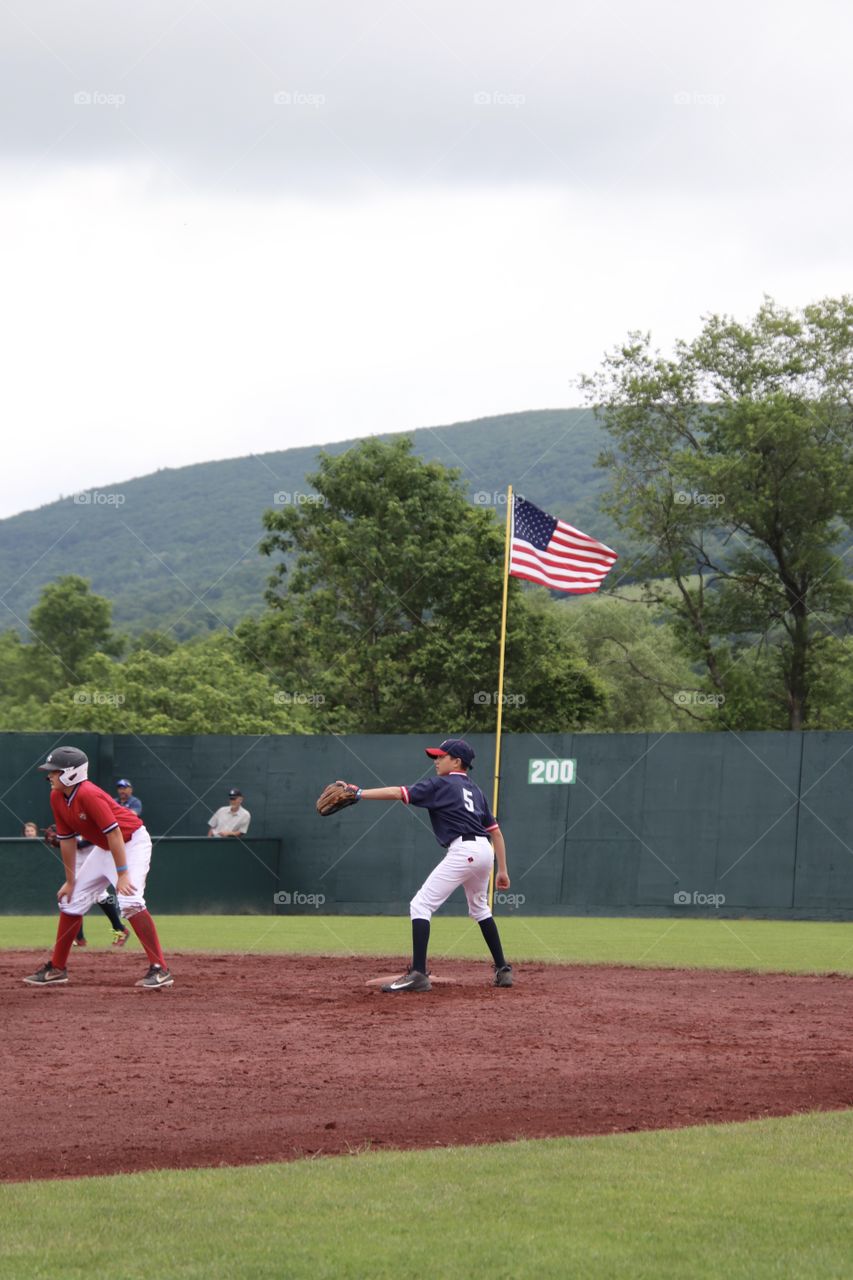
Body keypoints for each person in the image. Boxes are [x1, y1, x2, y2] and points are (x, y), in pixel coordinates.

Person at [344, 737, 513, 992]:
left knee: (421, 904)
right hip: (484, 850)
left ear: (457, 761)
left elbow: (397, 793)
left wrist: (359, 793)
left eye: (441, 756)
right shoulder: (476, 791)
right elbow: (496, 832)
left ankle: (418, 974)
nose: (436, 761)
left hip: (463, 850)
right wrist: (502, 869)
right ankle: (503, 970)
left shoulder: (441, 784)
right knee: (480, 909)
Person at [22, 746, 173, 989]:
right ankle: (58, 969)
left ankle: (160, 969)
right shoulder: (56, 797)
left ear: (71, 773)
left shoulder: (88, 794)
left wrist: (122, 875)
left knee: (131, 900)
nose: (48, 776)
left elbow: (114, 834)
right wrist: (71, 880)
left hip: (131, 842)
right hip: (105, 848)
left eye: (54, 771)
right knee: (71, 899)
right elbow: (67, 839)